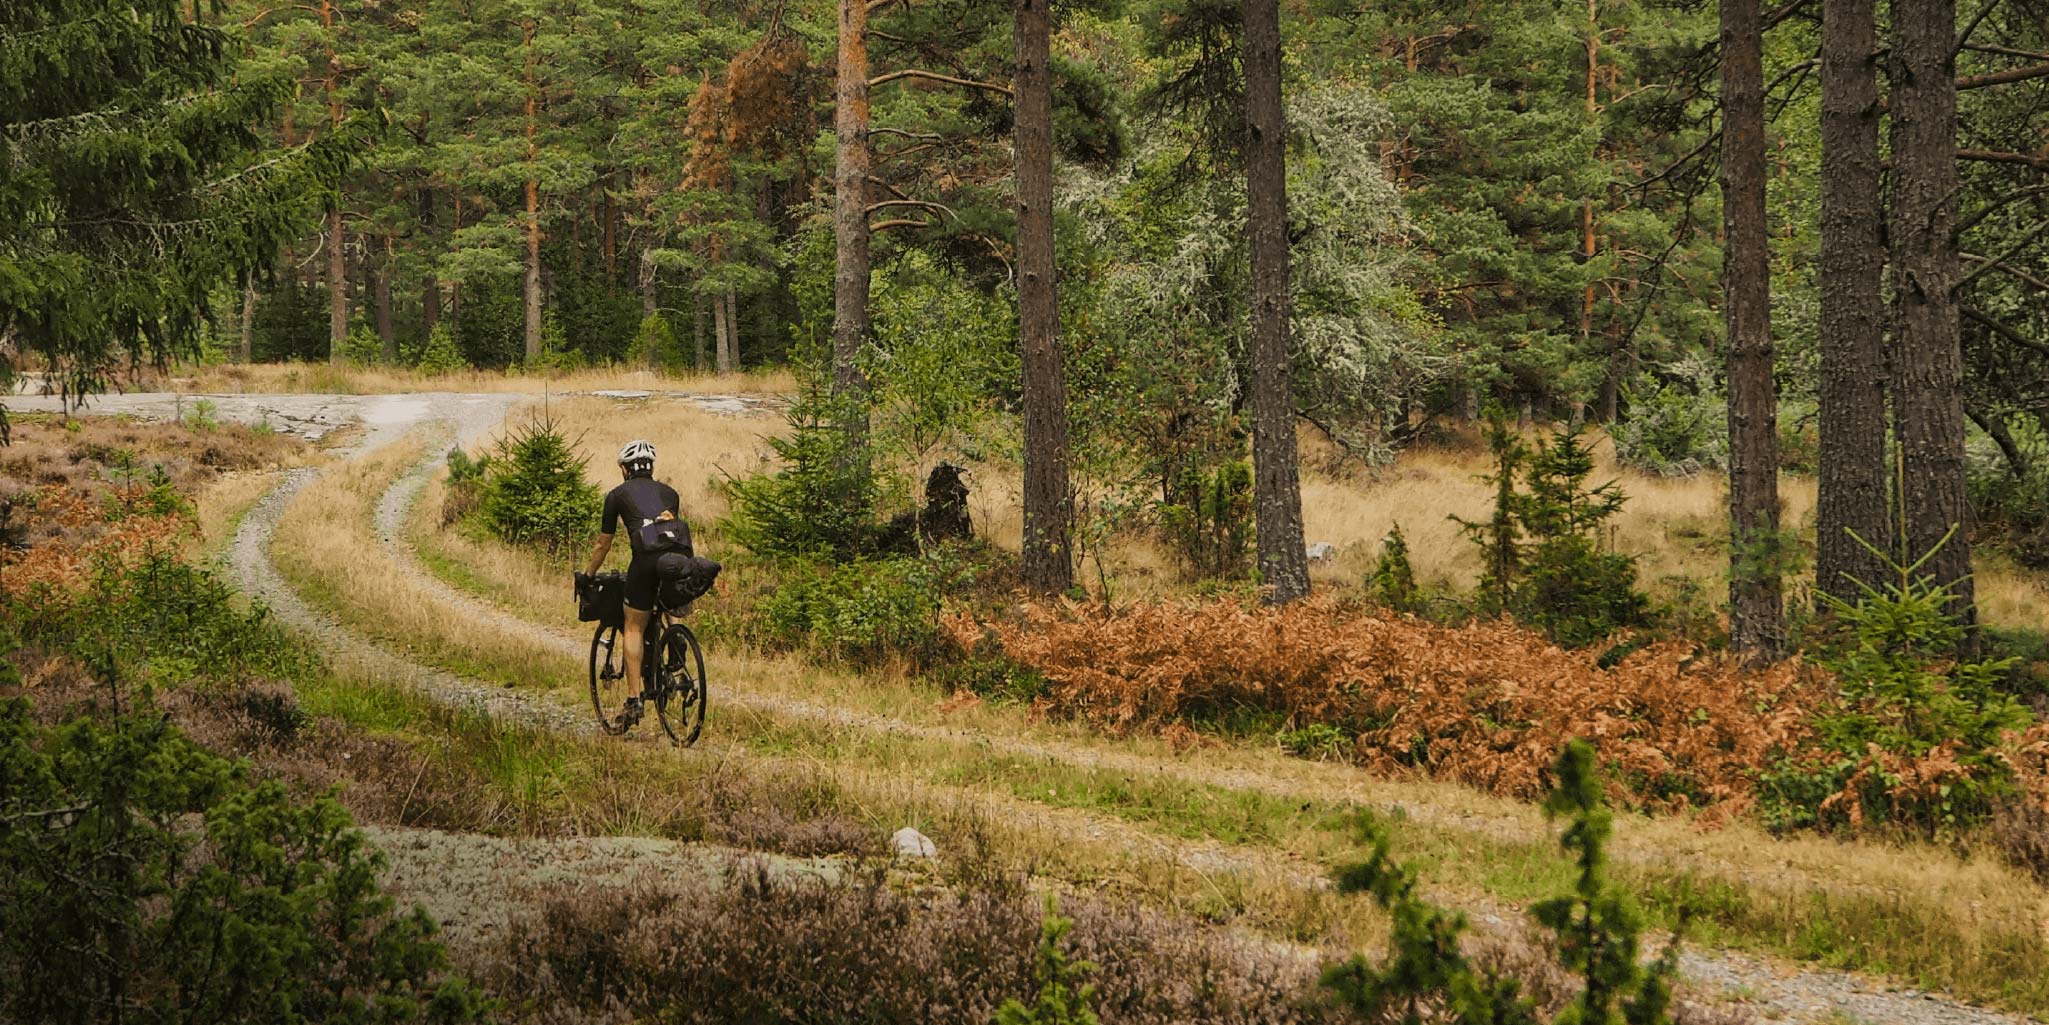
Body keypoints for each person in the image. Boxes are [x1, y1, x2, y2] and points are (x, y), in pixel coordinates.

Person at [580, 439, 680, 705]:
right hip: (678, 560)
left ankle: (634, 699)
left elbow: (604, 543)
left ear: (626, 468)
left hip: (644, 563)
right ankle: (677, 638)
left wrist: (589, 574)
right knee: (670, 599)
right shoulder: (671, 493)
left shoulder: (617, 495)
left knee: (634, 626)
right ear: (650, 466)